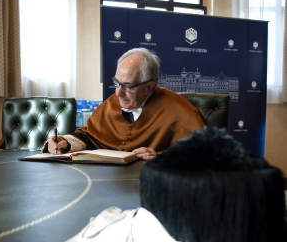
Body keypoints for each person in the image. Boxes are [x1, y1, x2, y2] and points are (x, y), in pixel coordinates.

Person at [44, 48, 205, 160]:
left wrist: (162, 156)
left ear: (149, 87)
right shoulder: (115, 101)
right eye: (117, 83)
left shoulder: (180, 110)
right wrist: (65, 142)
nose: (118, 93)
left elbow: (203, 153)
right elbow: (91, 136)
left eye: (128, 86)